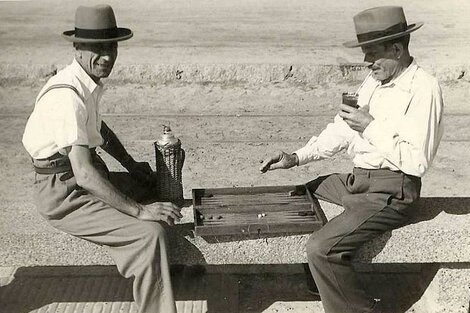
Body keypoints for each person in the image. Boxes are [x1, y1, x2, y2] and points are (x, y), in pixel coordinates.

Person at [260, 6, 444, 313]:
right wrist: (294, 157)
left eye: (372, 53)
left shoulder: (424, 89)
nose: (366, 61)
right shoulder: (374, 81)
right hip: (359, 182)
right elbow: (341, 130)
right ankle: (322, 285)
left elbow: (418, 162)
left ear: (397, 49)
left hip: (392, 192)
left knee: (320, 248)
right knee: (309, 189)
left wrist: (370, 126)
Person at [22, 5, 181, 313]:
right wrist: (138, 212)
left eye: (111, 46)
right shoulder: (67, 96)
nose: (107, 56)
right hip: (65, 193)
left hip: (84, 175)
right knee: (149, 233)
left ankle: (169, 277)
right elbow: (83, 174)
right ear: (78, 48)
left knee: (158, 189)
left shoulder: (84, 82)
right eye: (97, 48)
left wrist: (132, 166)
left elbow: (100, 131)